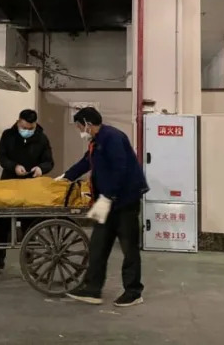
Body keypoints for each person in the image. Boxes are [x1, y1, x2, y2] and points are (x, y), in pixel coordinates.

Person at [59, 107, 148, 307]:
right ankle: (92, 289)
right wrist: (66, 177)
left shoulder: (113, 138)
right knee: (98, 245)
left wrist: (108, 196)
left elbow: (120, 168)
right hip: (107, 203)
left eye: (79, 126)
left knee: (129, 248)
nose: (79, 130)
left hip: (124, 202)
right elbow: (86, 162)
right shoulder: (97, 141)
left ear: (87, 124)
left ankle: (133, 292)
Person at [0, 109, 54, 275]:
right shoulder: (8, 135)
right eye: (24, 127)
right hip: (9, 183)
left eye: (30, 128)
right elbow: (1, 156)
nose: (27, 131)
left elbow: (49, 161)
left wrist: (40, 169)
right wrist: (13, 166)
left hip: (30, 187)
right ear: (18, 122)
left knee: (30, 225)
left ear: (35, 125)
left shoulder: (41, 138)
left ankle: (29, 264)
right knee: (2, 224)